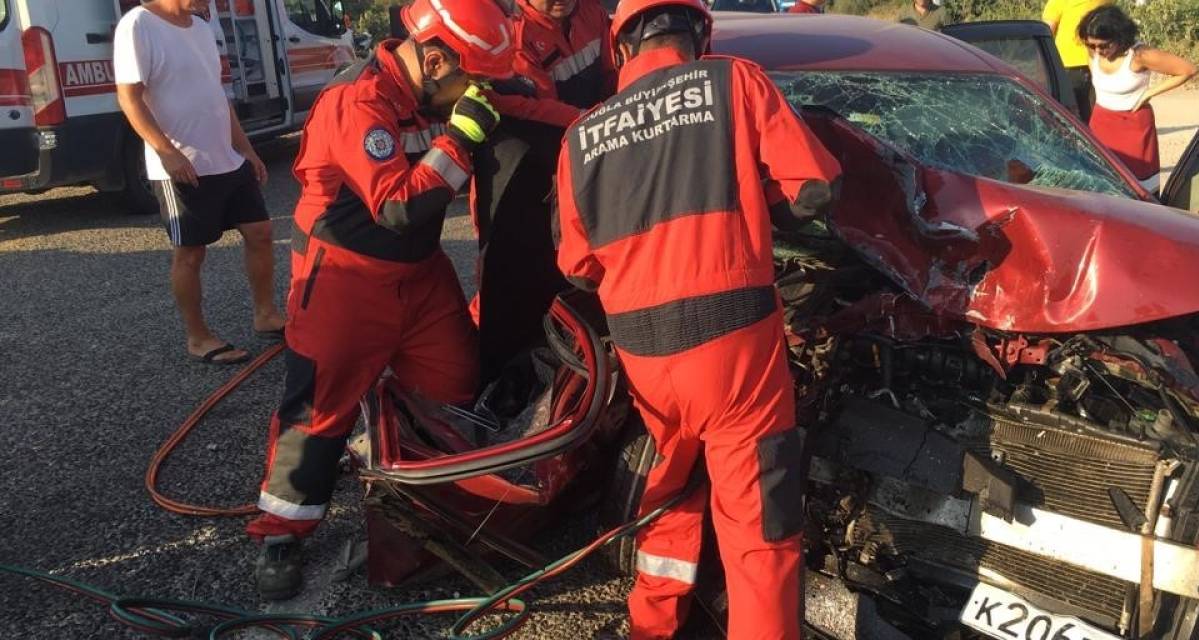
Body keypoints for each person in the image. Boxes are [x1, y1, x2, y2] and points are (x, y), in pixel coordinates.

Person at [555, 0, 842, 637]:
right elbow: (815, 188)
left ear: (621, 46)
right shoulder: (735, 80)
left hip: (645, 358)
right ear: (697, 34)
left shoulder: (583, 133)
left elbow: (577, 266)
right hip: (734, 349)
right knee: (758, 528)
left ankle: (651, 625)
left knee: (668, 491)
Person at [245, 0, 514, 600]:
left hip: (420, 276)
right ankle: (282, 529)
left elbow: (510, 111)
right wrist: (465, 135)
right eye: (476, 82)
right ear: (437, 59)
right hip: (345, 278)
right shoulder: (357, 101)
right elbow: (398, 206)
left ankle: (435, 498)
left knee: (455, 386)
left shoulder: (432, 91)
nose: (481, 96)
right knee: (318, 409)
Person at [114, 0, 285, 366]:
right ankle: (198, 337)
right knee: (191, 253)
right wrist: (167, 153)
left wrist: (247, 150)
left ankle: (266, 314)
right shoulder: (137, 25)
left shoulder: (202, 27)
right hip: (182, 165)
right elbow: (129, 99)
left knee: (261, 231)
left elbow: (217, 97)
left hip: (226, 157)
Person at [469, 0, 616, 381]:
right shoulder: (512, 33)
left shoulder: (592, 14)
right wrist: (594, 122)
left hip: (587, 151)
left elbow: (612, 71)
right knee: (512, 288)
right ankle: (504, 384)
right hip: (521, 169)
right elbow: (535, 105)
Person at [1080, 5, 1196, 193]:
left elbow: (1188, 70)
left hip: (1132, 125)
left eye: (1104, 45)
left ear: (1120, 37)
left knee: (1137, 188)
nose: (1098, 50)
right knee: (1101, 183)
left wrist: (1150, 93)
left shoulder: (1139, 55)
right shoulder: (1093, 52)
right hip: (1101, 122)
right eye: (1092, 45)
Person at [1042, 0, 1112, 122]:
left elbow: (1046, 32)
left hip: (1068, 64)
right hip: (1099, 62)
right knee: (1096, 113)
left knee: (1068, 116)